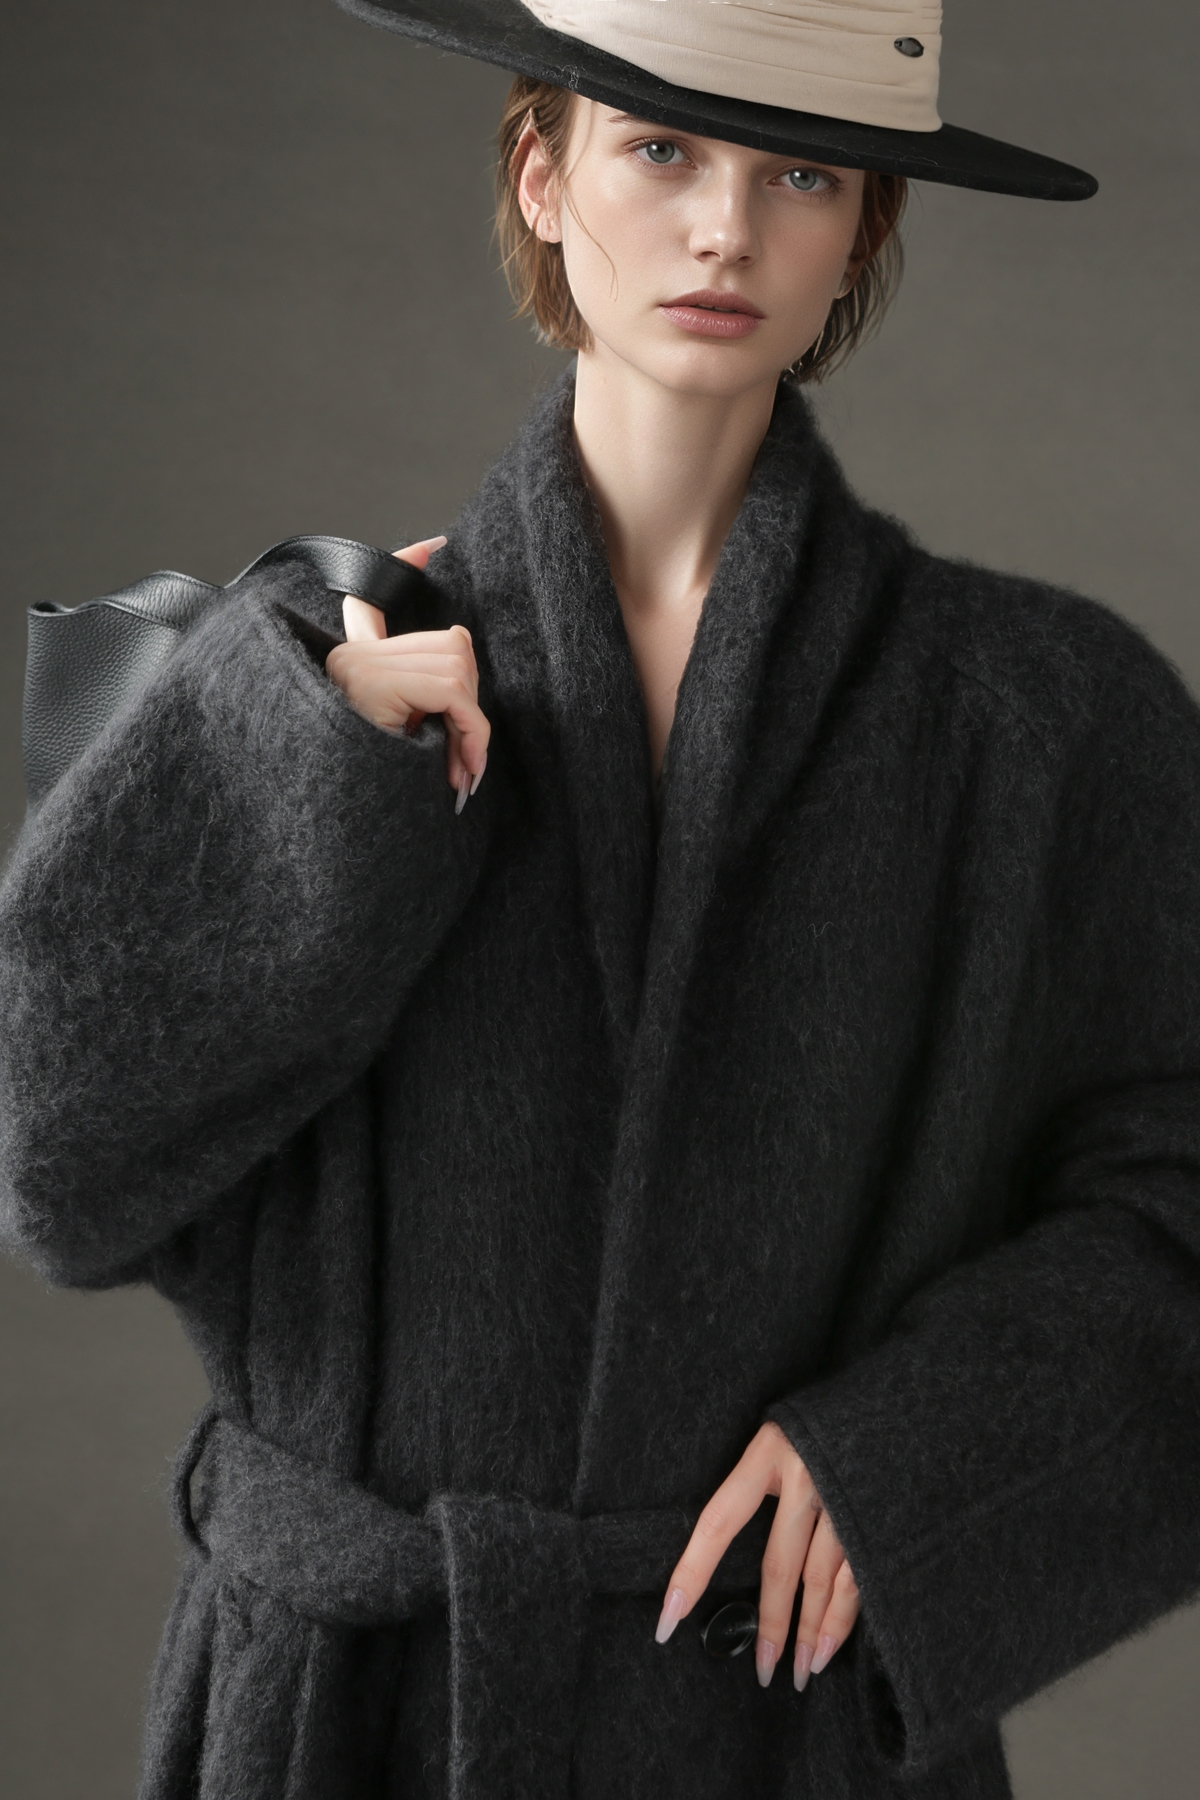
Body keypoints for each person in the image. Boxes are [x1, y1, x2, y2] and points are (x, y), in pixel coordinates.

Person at [1, 2, 1198, 1798]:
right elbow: (61, 1170)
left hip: (779, 1723)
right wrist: (299, 779)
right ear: (541, 174)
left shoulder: (1041, 721)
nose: (727, 230)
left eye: (802, 175)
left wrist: (941, 1460)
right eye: (659, 149)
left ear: (866, 223)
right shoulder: (301, 684)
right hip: (343, 1729)